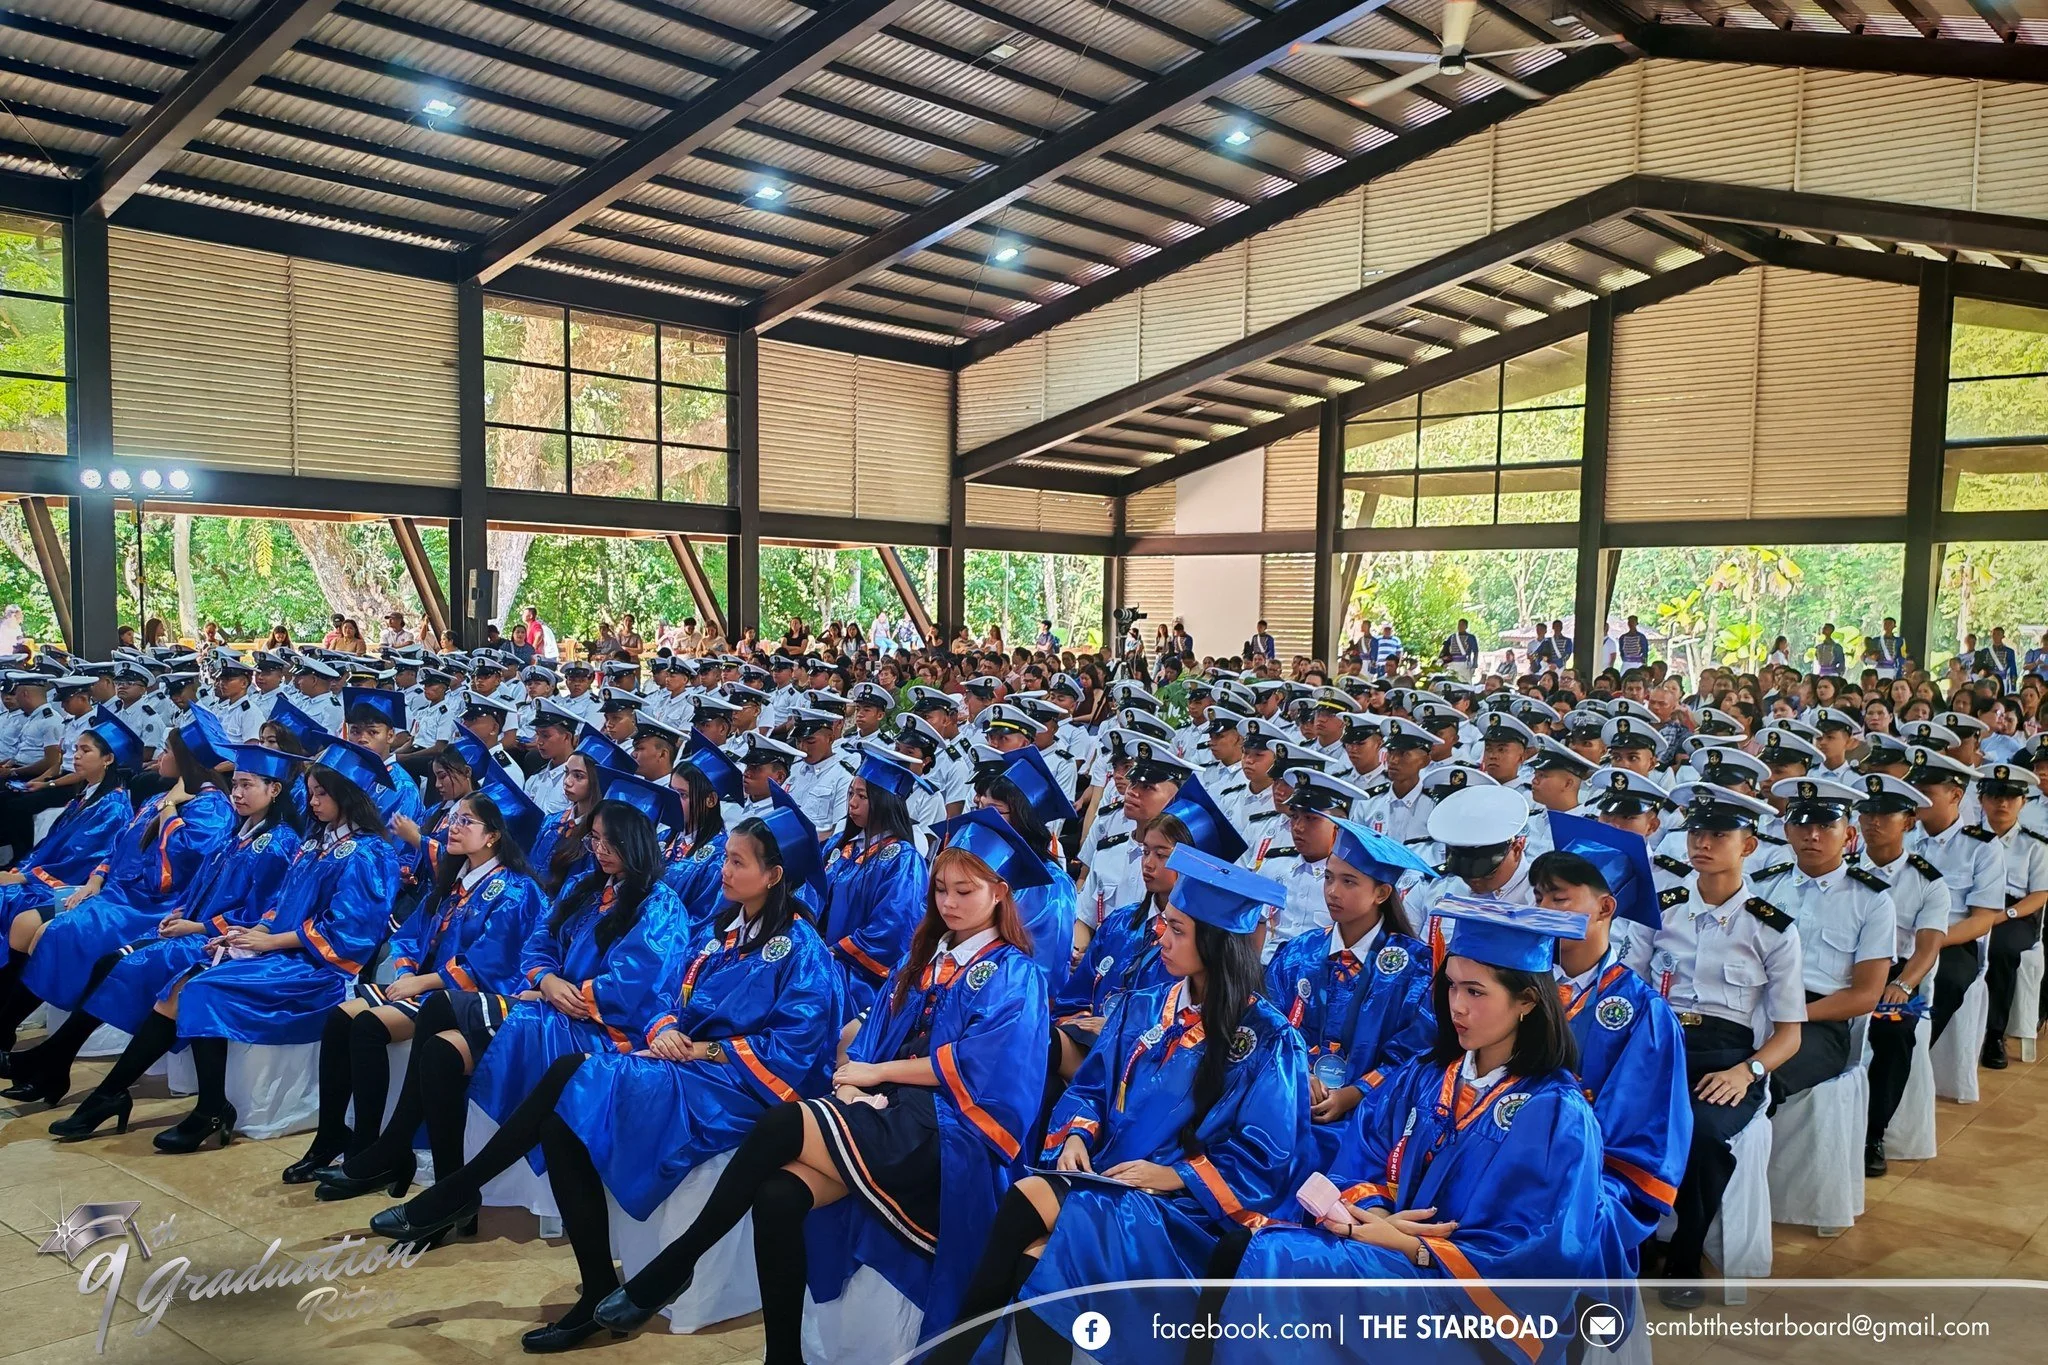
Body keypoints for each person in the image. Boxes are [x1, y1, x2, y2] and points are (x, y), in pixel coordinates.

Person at [578, 810, 1050, 1363]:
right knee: (778, 1196)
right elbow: (870, 1040)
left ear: (1000, 893)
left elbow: (982, 1068)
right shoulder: (925, 957)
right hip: (881, 1110)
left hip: (948, 1130)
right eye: (941, 889)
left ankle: (676, 1262)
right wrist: (853, 1086)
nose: (948, 902)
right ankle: (782, 1356)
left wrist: (875, 1074)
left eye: (964, 891)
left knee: (784, 1123)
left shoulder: (1015, 972)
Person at [369, 804, 843, 1349]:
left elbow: (795, 1050)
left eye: (738, 862)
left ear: (774, 875)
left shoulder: (803, 950)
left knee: (571, 1071)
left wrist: (701, 1048)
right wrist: (665, 1028)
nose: (724, 871)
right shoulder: (721, 931)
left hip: (734, 1086)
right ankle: (593, 1285)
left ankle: (455, 1192)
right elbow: (667, 995)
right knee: (558, 1126)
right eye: (726, 858)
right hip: (679, 1064)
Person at [927, 846, 1303, 1365]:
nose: (1161, 937)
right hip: (1107, 1178)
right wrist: (1076, 1134)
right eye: (1165, 924)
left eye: (1177, 930)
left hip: (1184, 1209)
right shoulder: (1143, 1006)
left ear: (1217, 944)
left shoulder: (1268, 1040)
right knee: (1033, 1255)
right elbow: (1089, 1088)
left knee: (1031, 1227)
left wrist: (1174, 1176)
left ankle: (948, 1356)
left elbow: (1267, 1157)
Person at [1199, 895, 1605, 1365]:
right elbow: (1365, 1155)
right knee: (1247, 1249)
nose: (1457, 1006)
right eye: (1452, 987)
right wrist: (1374, 1218)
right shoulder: (1424, 1075)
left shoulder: (1556, 1113)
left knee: (1274, 1263)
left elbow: (1537, 1248)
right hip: (1385, 1249)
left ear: (1527, 1003)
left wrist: (1418, 1249)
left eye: (1476, 992)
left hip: (1464, 1303)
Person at [48, 739, 400, 1151]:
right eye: (312, 792)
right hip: (277, 951)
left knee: (198, 987)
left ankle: (202, 1107)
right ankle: (116, 1094)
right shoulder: (315, 843)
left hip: (315, 968)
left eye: (323, 794)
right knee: (180, 985)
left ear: (349, 796)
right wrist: (250, 935)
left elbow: (350, 933)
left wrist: (269, 940)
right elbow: (279, 904)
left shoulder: (369, 853)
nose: (313, 801)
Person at [20, 743, 300, 1114]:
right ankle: (57, 1060)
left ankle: (67, 1068)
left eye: (247, 785)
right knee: (108, 962)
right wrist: (182, 912)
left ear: (274, 789)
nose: (237, 793)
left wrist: (194, 924)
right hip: (186, 925)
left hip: (218, 939)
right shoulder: (240, 833)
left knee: (124, 964)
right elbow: (200, 884)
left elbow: (261, 912)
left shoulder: (278, 843)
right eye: (235, 784)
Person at [288, 789, 547, 1186]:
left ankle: (371, 1150)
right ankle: (333, 1136)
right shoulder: (455, 879)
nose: (452, 828)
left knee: (368, 1026)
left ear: (493, 835)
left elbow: (492, 961)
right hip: (427, 985)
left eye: (466, 821)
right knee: (340, 1019)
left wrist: (419, 983)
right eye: (453, 819)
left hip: (473, 993)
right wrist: (406, 972)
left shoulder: (515, 890)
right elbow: (410, 937)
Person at [1648, 784, 1803, 1308]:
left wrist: (1747, 1073)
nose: (1703, 843)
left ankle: (1686, 1252)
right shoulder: (1662, 910)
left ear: (1749, 846)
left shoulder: (1771, 928)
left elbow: (1789, 1034)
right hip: (1659, 1045)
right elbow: (1631, 991)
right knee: (1610, 1117)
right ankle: (1635, 1238)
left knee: (1703, 1133)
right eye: (1696, 832)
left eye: (1719, 834)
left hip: (1726, 1055)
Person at [0, 716, 235, 1051]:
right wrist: (97, 879)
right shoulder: (160, 796)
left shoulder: (211, 808)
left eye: (168, 751)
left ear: (187, 759)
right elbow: (120, 845)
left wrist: (170, 809)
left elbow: (178, 868)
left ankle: (9, 1029)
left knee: (59, 933)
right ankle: (7, 1026)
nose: (160, 757)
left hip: (150, 905)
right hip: (115, 893)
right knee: (40, 927)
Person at [1265, 817, 1435, 1163]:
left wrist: (1355, 1093)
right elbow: (1269, 1028)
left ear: (1381, 893)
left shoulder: (1414, 967)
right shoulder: (1298, 953)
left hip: (1370, 1118)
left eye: (1348, 882)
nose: (1332, 891)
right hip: (1290, 1100)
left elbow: (1416, 1054)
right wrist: (1300, 1074)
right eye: (1329, 878)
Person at [1977, 762, 2048, 1070]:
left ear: (2023, 801)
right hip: (1972, 907)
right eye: (1994, 796)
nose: (2002, 804)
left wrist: (2005, 915)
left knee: (2001, 951)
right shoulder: (1968, 840)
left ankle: (1994, 1034)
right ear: (1981, 800)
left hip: (2015, 913)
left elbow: (2040, 895)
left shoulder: (2035, 845)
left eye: (2010, 797)